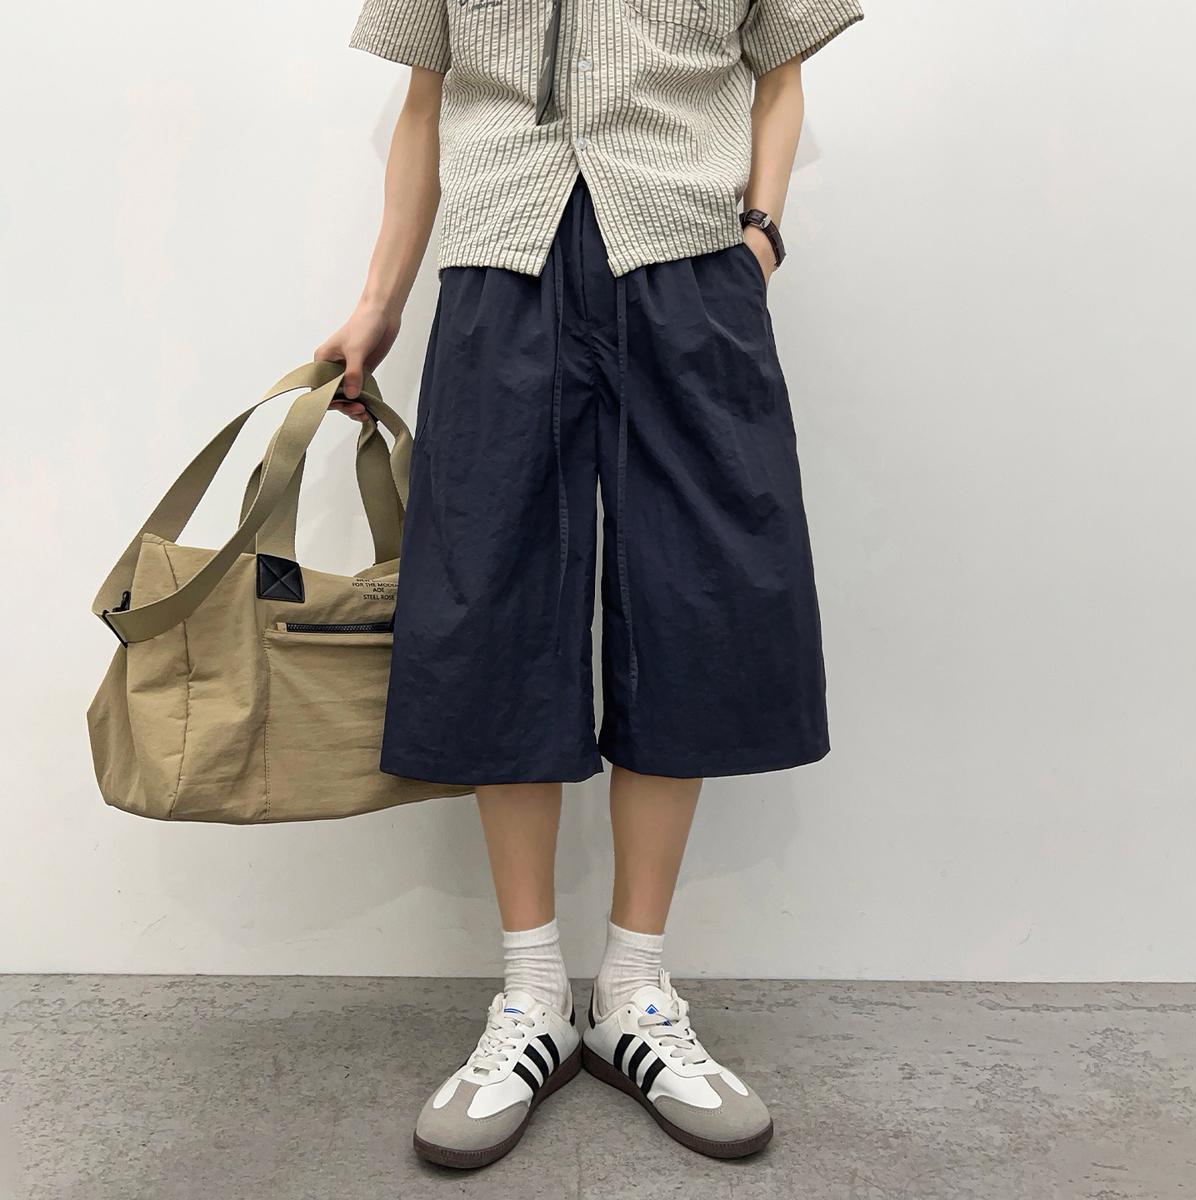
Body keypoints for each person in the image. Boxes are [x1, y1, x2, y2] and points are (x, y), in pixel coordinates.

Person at [318, 0, 863, 1169]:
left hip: (689, 268)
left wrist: (760, 237)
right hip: (499, 269)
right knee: (491, 602)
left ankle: (634, 992)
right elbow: (425, 99)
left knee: (695, 598)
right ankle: (530, 994)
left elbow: (781, 68)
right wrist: (380, 301)